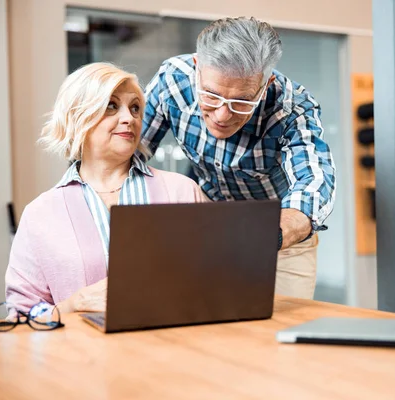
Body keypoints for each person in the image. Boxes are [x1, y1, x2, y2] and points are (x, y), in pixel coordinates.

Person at [141, 17, 336, 299]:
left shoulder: (292, 108)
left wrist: (272, 234)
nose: (222, 115)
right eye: (211, 95)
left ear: (265, 84)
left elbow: (314, 181)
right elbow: (131, 151)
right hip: (206, 222)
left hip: (277, 229)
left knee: (280, 331)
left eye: (242, 101)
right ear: (197, 69)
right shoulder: (173, 79)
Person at [5, 63, 205, 314]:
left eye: (135, 108)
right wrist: (73, 305)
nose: (129, 118)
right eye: (112, 105)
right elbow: (22, 313)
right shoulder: (40, 214)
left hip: (173, 348)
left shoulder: (182, 192)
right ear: (77, 116)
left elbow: (212, 282)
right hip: (81, 352)